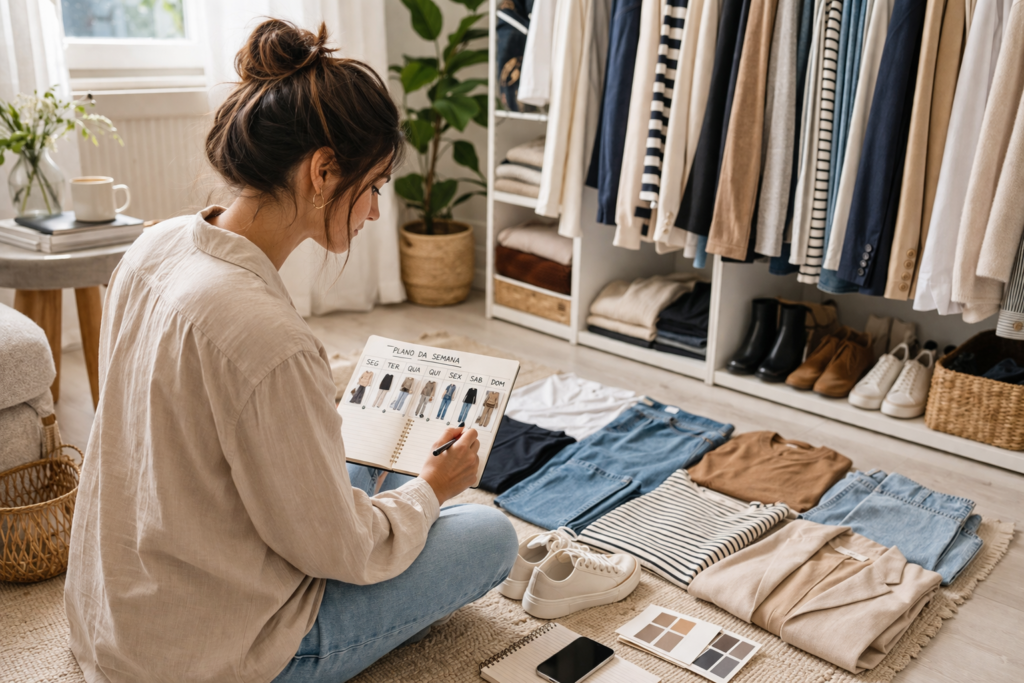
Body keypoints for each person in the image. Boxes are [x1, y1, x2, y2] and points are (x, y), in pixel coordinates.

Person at [64, 19, 518, 683]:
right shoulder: (269, 339)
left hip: (116, 616)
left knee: (361, 462)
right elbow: (343, 547)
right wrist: (432, 490)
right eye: (375, 186)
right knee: (489, 535)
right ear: (323, 170)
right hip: (203, 657)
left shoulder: (152, 247)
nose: (372, 213)